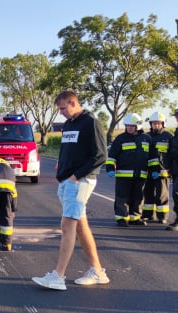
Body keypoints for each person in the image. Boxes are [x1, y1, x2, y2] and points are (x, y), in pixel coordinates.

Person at [32, 90, 109, 291]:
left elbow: (101, 155)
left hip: (81, 182)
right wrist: (63, 169)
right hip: (67, 181)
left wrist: (76, 176)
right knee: (81, 226)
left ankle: (58, 276)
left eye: (63, 108)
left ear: (73, 102)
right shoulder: (68, 125)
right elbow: (69, 151)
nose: (61, 112)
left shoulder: (90, 122)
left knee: (67, 226)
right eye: (59, 109)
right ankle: (97, 271)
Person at [104, 113, 151, 227]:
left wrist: (154, 169)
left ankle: (135, 218)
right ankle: (121, 218)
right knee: (122, 197)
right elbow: (112, 155)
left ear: (138, 126)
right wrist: (110, 168)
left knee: (137, 197)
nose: (129, 128)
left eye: (132, 126)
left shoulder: (147, 139)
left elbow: (153, 156)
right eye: (127, 125)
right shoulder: (120, 139)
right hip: (123, 175)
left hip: (140, 175)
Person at [143, 111, 173, 224]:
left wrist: (171, 170)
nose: (156, 125)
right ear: (150, 124)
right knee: (148, 193)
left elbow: (172, 154)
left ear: (163, 124)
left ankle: (162, 216)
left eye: (158, 123)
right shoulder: (146, 137)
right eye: (154, 123)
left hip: (163, 171)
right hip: (148, 171)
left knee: (162, 195)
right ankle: (148, 215)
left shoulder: (168, 137)